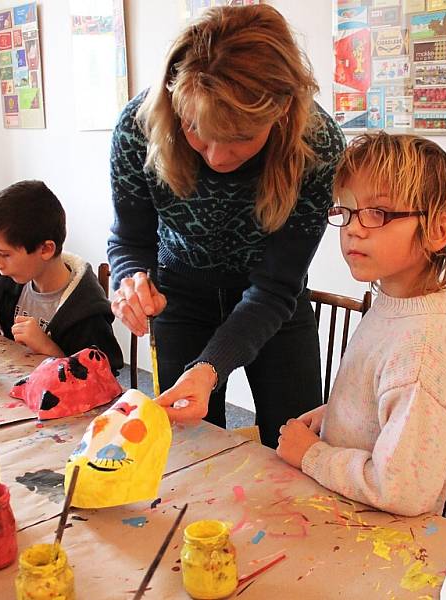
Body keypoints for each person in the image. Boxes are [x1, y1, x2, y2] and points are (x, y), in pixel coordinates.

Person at [108, 4, 345, 447]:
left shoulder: (318, 145)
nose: (216, 158)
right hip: (179, 299)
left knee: (294, 448)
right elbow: (129, 238)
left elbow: (275, 287)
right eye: (197, 129)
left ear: (282, 113)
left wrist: (211, 366)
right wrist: (130, 279)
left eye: (239, 138)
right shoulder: (138, 126)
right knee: (189, 449)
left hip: (275, 306)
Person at [276, 132, 446, 516]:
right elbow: (383, 405)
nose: (353, 228)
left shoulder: (421, 348)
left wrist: (312, 455)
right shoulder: (393, 305)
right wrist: (338, 414)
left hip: (384, 541)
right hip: (350, 512)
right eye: (346, 210)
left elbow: (402, 491)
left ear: (437, 231)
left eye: (377, 212)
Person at [0, 180, 123, 372]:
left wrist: (47, 348)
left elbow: (103, 380)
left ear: (45, 249)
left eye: (4, 254)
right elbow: (4, 328)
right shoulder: (14, 282)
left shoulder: (86, 311)